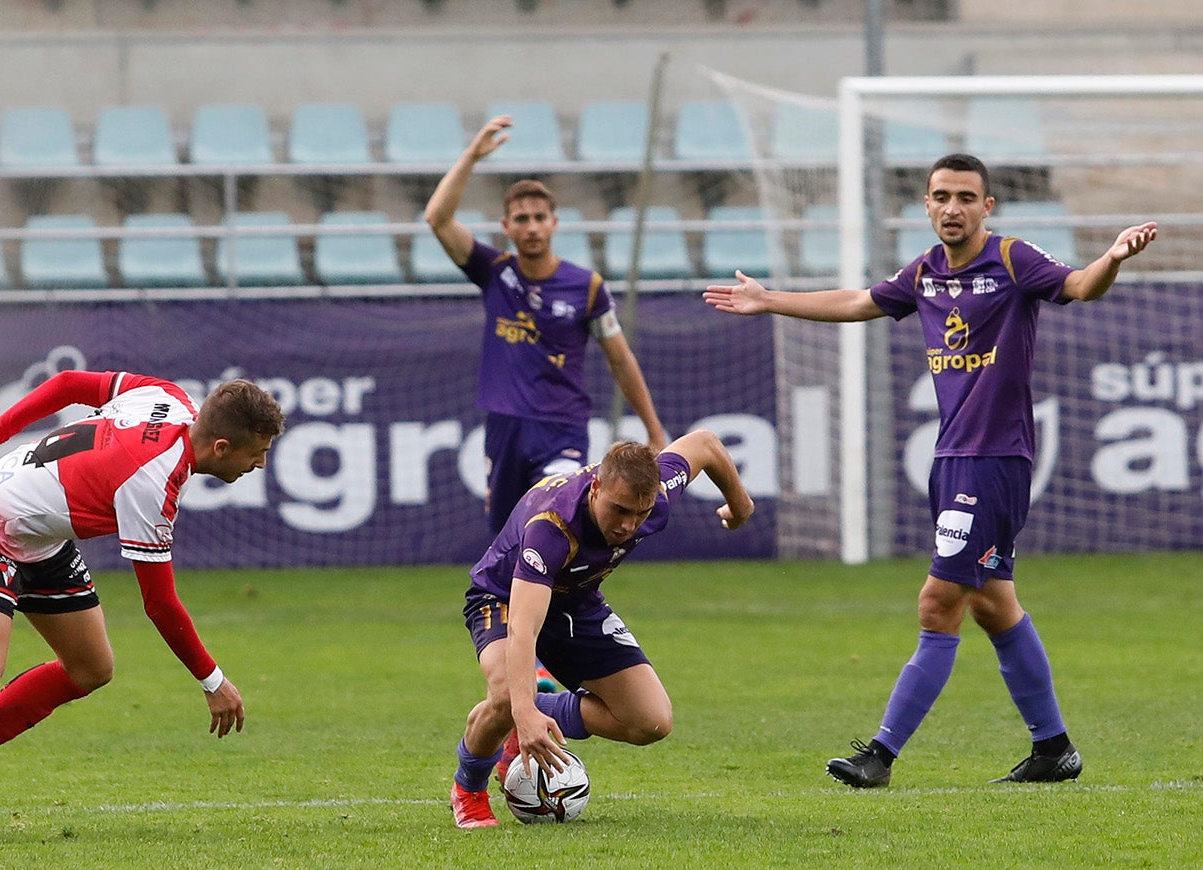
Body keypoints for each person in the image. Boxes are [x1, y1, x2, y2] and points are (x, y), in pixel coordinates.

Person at [703, 153, 1157, 787]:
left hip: (994, 459)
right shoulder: (922, 273)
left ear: (987, 206)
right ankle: (1053, 748)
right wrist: (769, 299)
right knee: (994, 606)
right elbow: (858, 300)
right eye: (941, 196)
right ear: (926, 204)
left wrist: (1111, 258)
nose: (952, 208)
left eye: (966, 197)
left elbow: (1080, 286)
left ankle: (880, 756)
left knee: (938, 600)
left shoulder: (1011, 259)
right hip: (951, 459)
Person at [0, 370, 286, 847]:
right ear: (222, 448)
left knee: (91, 668)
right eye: (258, 452)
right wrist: (213, 681)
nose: (261, 464)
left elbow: (68, 384)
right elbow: (160, 605)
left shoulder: (167, 397)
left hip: (43, 537)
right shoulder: (151, 480)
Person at [448, 431, 755, 827]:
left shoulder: (657, 491)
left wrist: (740, 505)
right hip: (504, 598)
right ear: (595, 487)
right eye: (619, 509)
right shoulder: (553, 526)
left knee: (651, 721)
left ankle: (533, 712)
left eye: (640, 513)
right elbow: (524, 628)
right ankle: (468, 789)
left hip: (576, 602)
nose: (628, 525)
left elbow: (706, 445)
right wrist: (520, 709)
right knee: (508, 691)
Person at [425, 114, 669, 535]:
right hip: (505, 428)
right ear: (507, 227)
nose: (532, 226)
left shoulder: (587, 287)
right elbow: (437, 219)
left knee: (556, 519)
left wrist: (653, 429)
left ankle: (575, 601)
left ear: (555, 222)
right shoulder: (494, 272)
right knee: (508, 541)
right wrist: (471, 156)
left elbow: (620, 359)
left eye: (540, 217)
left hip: (561, 427)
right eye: (521, 219)